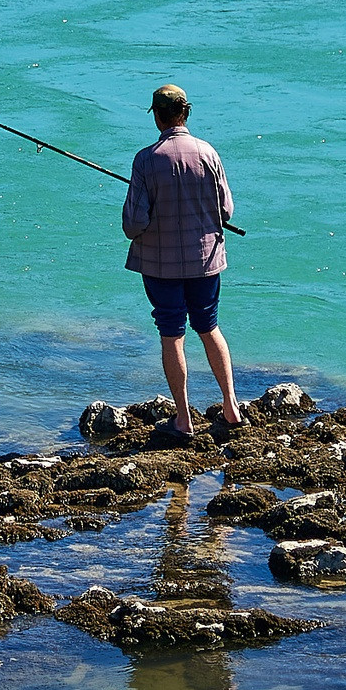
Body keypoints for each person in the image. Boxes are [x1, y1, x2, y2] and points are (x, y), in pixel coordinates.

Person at [121, 82, 242, 438]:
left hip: (161, 267)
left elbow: (133, 224)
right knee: (209, 327)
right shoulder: (208, 153)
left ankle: (184, 419)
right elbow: (226, 210)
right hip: (206, 261)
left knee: (172, 335)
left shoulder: (146, 160)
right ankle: (231, 407)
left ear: (157, 117)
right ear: (185, 113)